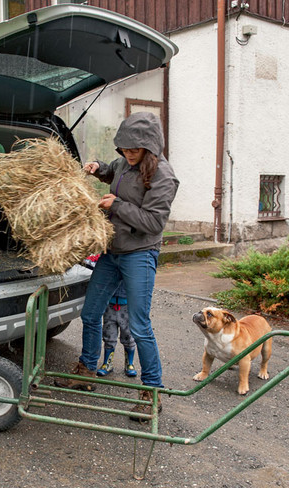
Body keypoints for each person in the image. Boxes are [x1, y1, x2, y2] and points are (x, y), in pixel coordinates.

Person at [54, 112, 179, 422]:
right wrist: (100, 169)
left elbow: (152, 222)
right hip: (113, 250)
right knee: (91, 311)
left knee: (139, 325)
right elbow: (116, 172)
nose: (128, 154)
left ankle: (151, 393)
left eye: (134, 149)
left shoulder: (164, 176)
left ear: (150, 146)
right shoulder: (126, 161)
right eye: (124, 148)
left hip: (140, 253)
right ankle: (87, 371)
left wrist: (116, 206)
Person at [97, 281, 137, 378]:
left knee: (128, 334)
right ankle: (107, 363)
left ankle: (129, 364)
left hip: (127, 304)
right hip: (109, 303)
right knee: (109, 333)